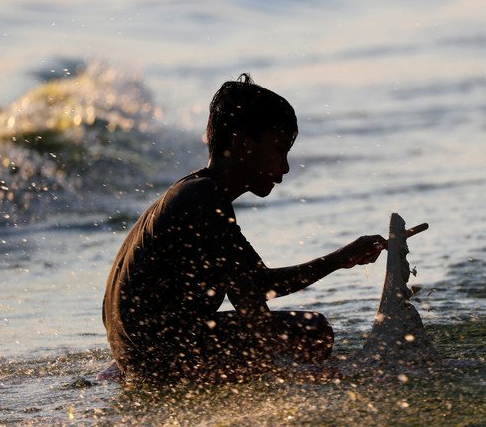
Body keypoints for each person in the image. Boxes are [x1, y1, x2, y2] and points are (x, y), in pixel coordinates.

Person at [102, 73, 386, 383]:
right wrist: (342, 259)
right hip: (161, 361)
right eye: (279, 150)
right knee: (311, 332)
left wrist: (281, 357)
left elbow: (250, 291)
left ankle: (124, 373)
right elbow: (257, 289)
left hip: (138, 356)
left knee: (296, 332)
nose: (286, 167)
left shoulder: (193, 192)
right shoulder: (203, 197)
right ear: (241, 143)